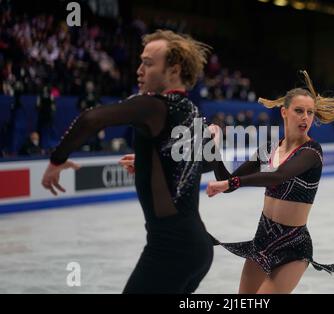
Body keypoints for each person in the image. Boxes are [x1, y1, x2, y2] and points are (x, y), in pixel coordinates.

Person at [41, 30, 214, 294]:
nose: (138, 70)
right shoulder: (191, 110)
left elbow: (91, 119)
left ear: (174, 70)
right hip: (196, 249)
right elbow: (203, 164)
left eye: (148, 63)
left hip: (171, 250)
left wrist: (57, 160)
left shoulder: (154, 106)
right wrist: (151, 161)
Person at [206, 71, 334, 293]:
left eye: (310, 113)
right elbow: (227, 180)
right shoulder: (270, 147)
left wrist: (231, 184)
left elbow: (278, 175)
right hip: (261, 241)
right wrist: (214, 148)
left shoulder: (312, 152)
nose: (305, 118)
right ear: (284, 112)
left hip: (293, 246)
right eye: (299, 111)